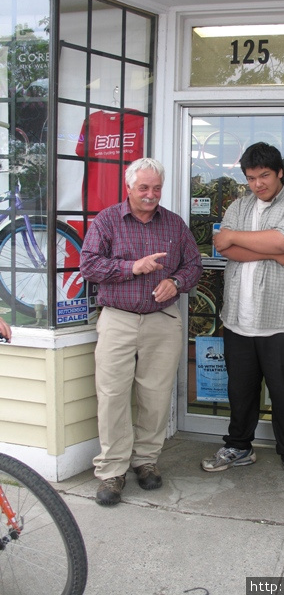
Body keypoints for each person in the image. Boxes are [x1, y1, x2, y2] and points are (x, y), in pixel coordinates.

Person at [80, 157, 202, 506]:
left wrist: (176, 282)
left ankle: (146, 461)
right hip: (117, 318)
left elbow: (193, 265)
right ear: (129, 187)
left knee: (156, 395)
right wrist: (132, 267)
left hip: (162, 320)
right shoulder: (107, 221)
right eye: (144, 187)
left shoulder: (175, 224)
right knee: (113, 395)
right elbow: (88, 265)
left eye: (156, 188)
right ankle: (111, 471)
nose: (151, 194)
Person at [201, 142, 284, 486]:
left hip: (283, 320)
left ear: (280, 173)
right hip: (238, 318)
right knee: (240, 390)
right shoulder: (239, 205)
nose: (258, 184)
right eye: (251, 177)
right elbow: (223, 246)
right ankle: (239, 447)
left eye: (264, 175)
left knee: (283, 393)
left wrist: (245, 240)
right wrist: (275, 252)